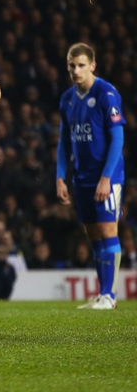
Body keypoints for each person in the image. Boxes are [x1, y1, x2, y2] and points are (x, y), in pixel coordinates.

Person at [56, 43, 126, 310]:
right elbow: (64, 142)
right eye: (72, 65)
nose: (76, 70)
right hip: (82, 178)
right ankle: (102, 294)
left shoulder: (106, 93)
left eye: (81, 65)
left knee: (108, 230)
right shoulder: (67, 99)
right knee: (94, 235)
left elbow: (117, 137)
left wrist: (107, 177)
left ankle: (110, 295)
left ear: (92, 65)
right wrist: (60, 176)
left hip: (107, 177)